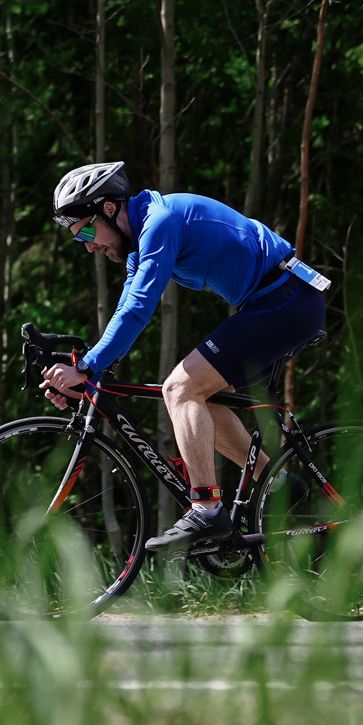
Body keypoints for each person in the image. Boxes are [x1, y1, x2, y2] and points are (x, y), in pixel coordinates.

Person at [41, 162, 330, 549]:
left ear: (109, 208)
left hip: (287, 298)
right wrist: (87, 373)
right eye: (80, 240)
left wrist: (88, 365)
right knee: (200, 395)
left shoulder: (160, 222)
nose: (89, 245)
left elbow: (140, 306)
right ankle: (275, 483)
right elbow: (126, 306)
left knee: (180, 388)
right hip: (273, 300)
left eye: (88, 231)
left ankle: (207, 511)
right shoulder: (140, 240)